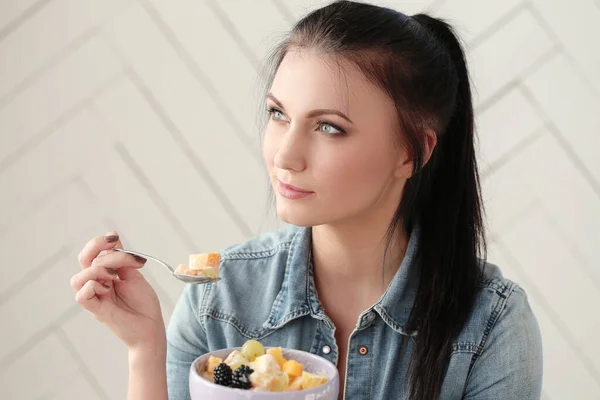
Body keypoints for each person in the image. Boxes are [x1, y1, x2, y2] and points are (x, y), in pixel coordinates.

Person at [69, 1, 543, 399]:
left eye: (329, 127)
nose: (285, 155)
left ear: (412, 152)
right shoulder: (219, 299)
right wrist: (144, 348)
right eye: (278, 114)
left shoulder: (490, 326)